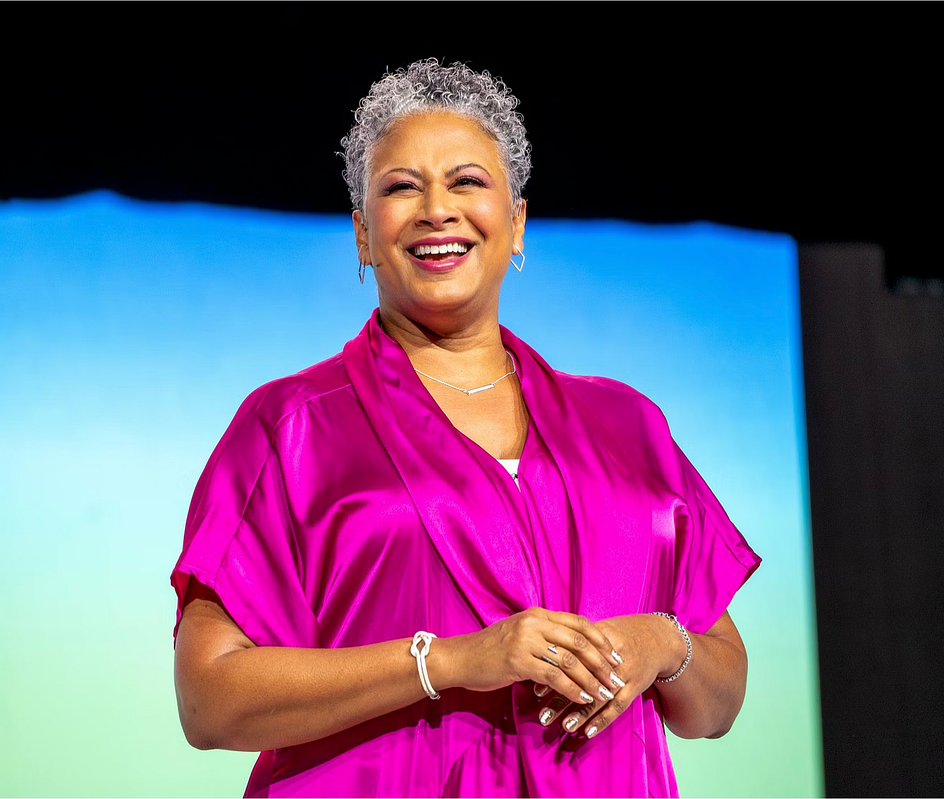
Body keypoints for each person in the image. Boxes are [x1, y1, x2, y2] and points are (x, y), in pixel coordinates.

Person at [171, 59, 761, 797]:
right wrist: (445, 661)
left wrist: (661, 642)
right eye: (400, 188)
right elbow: (208, 698)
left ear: (515, 222)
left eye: (467, 182)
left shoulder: (627, 426)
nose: (435, 210)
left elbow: (719, 701)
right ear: (362, 234)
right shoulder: (291, 427)